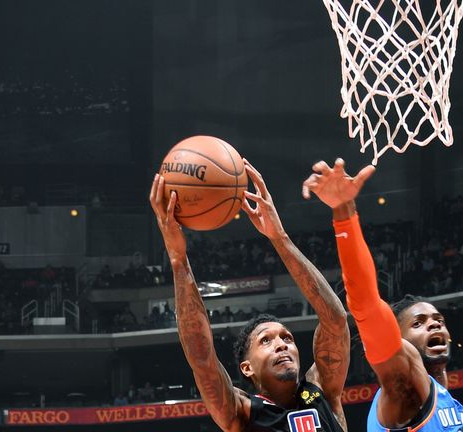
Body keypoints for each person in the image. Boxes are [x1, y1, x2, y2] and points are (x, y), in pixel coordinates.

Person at [149, 158, 350, 432]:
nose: (282, 344)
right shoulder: (241, 413)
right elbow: (202, 358)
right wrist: (178, 260)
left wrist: (279, 237)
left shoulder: (321, 390)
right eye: (266, 341)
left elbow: (335, 320)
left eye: (286, 338)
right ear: (247, 368)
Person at [303, 158, 463, 431]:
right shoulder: (402, 388)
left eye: (437, 319)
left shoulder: (440, 398)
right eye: (418, 323)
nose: (434, 323)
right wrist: (344, 213)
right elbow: (366, 304)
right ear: (397, 339)